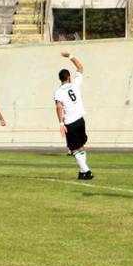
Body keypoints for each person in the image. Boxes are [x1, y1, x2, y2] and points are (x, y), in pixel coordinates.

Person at [54, 52, 93, 180]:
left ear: (60, 79)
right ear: (69, 77)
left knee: (73, 149)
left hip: (70, 122)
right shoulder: (75, 84)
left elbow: (59, 107)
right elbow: (80, 67)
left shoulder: (58, 92)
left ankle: (87, 171)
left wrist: (60, 123)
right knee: (81, 145)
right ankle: (82, 172)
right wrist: (70, 56)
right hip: (80, 119)